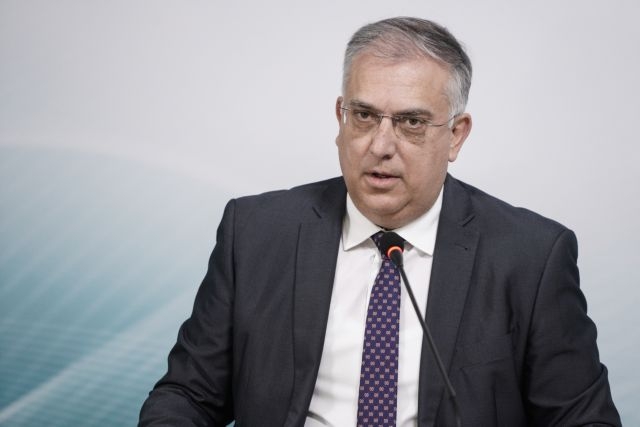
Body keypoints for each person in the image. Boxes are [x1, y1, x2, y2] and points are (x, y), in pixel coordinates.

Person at [139, 17, 620, 426]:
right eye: (365, 116)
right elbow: (187, 395)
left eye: (412, 123)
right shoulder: (256, 233)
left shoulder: (531, 258)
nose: (381, 146)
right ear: (340, 118)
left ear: (456, 135)